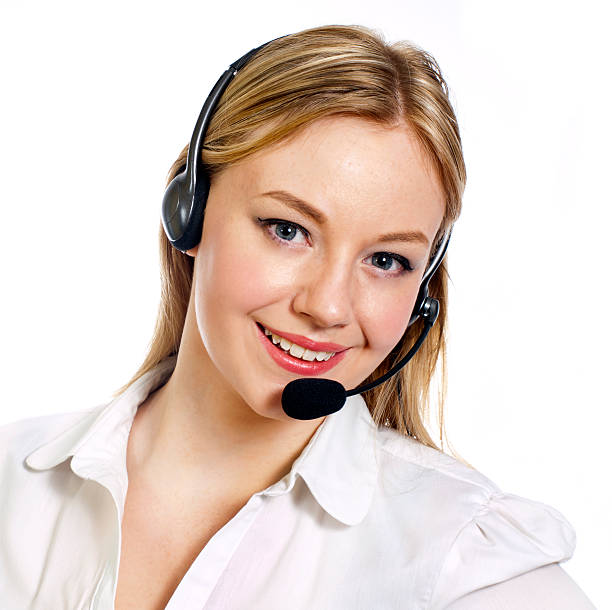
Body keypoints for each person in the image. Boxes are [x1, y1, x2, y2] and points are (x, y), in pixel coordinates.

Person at [0, 25, 596, 610]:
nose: (329, 307)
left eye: (386, 260)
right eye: (289, 230)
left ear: (421, 295)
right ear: (189, 213)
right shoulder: (13, 486)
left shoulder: (464, 568)